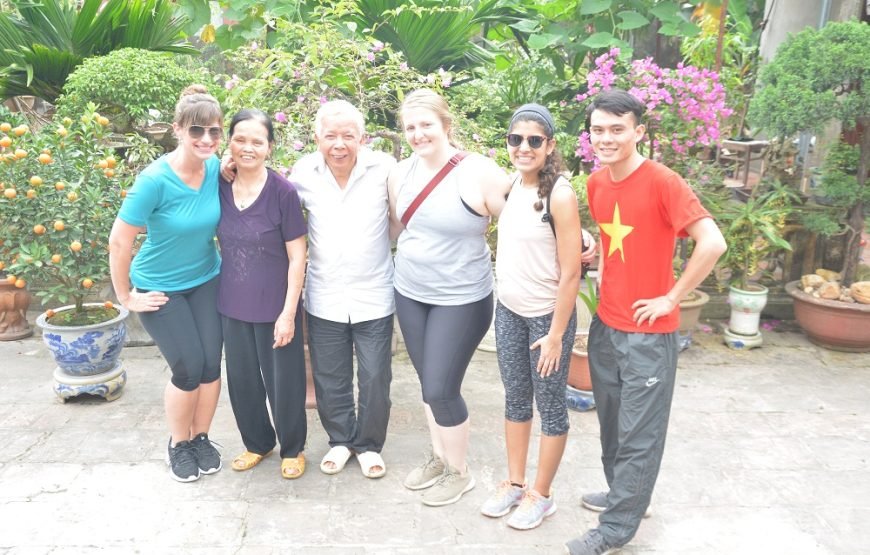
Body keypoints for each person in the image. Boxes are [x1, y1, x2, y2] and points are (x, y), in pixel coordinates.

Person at [564, 89, 726, 554]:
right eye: (598, 130)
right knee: (614, 423)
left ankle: (616, 529)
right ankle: (626, 497)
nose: (607, 138)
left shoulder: (664, 181)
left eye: (618, 129)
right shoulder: (596, 183)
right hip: (606, 323)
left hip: (648, 336)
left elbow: (712, 242)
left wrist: (672, 297)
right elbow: (619, 240)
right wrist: (596, 249)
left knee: (640, 431)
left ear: (639, 131)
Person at [389, 89, 511, 507]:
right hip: (410, 290)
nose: (418, 134)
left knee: (441, 387)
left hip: (461, 297)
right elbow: (396, 229)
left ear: (446, 125)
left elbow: (522, 219)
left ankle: (459, 473)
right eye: (410, 127)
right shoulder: (398, 174)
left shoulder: (479, 172)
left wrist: (576, 238)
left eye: (426, 125)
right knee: (428, 384)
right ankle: (439, 459)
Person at [109, 85, 224, 483]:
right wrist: (126, 297)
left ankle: (201, 438)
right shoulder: (154, 180)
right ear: (177, 130)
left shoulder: (215, 168)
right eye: (197, 131)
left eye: (214, 131)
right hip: (160, 286)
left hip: (206, 278)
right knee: (189, 367)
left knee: (211, 364)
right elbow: (120, 241)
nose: (206, 140)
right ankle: (178, 443)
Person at [480, 104, 582, 530]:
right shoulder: (511, 187)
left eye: (534, 140)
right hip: (509, 312)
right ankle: (516, 482)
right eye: (515, 139)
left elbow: (572, 269)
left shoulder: (559, 193)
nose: (524, 147)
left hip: (546, 320)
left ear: (550, 145)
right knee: (515, 399)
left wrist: (557, 334)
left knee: (551, 406)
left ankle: (542, 494)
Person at [292, 100, 397, 479]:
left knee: (374, 376)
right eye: (331, 136)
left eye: (348, 136)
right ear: (317, 138)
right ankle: (340, 438)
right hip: (324, 293)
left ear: (362, 138)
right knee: (329, 375)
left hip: (374, 292)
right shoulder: (304, 172)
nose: (339, 144)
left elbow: (403, 215)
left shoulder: (384, 168)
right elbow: (279, 213)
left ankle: (368, 445)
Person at [216, 109, 308, 479]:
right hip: (231, 302)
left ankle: (292, 448)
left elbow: (297, 255)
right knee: (242, 380)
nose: (247, 147)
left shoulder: (282, 192)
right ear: (230, 143)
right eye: (240, 139)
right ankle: (257, 443)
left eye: (257, 141)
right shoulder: (220, 184)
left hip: (274, 304)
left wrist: (288, 313)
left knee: (284, 382)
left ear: (270, 147)